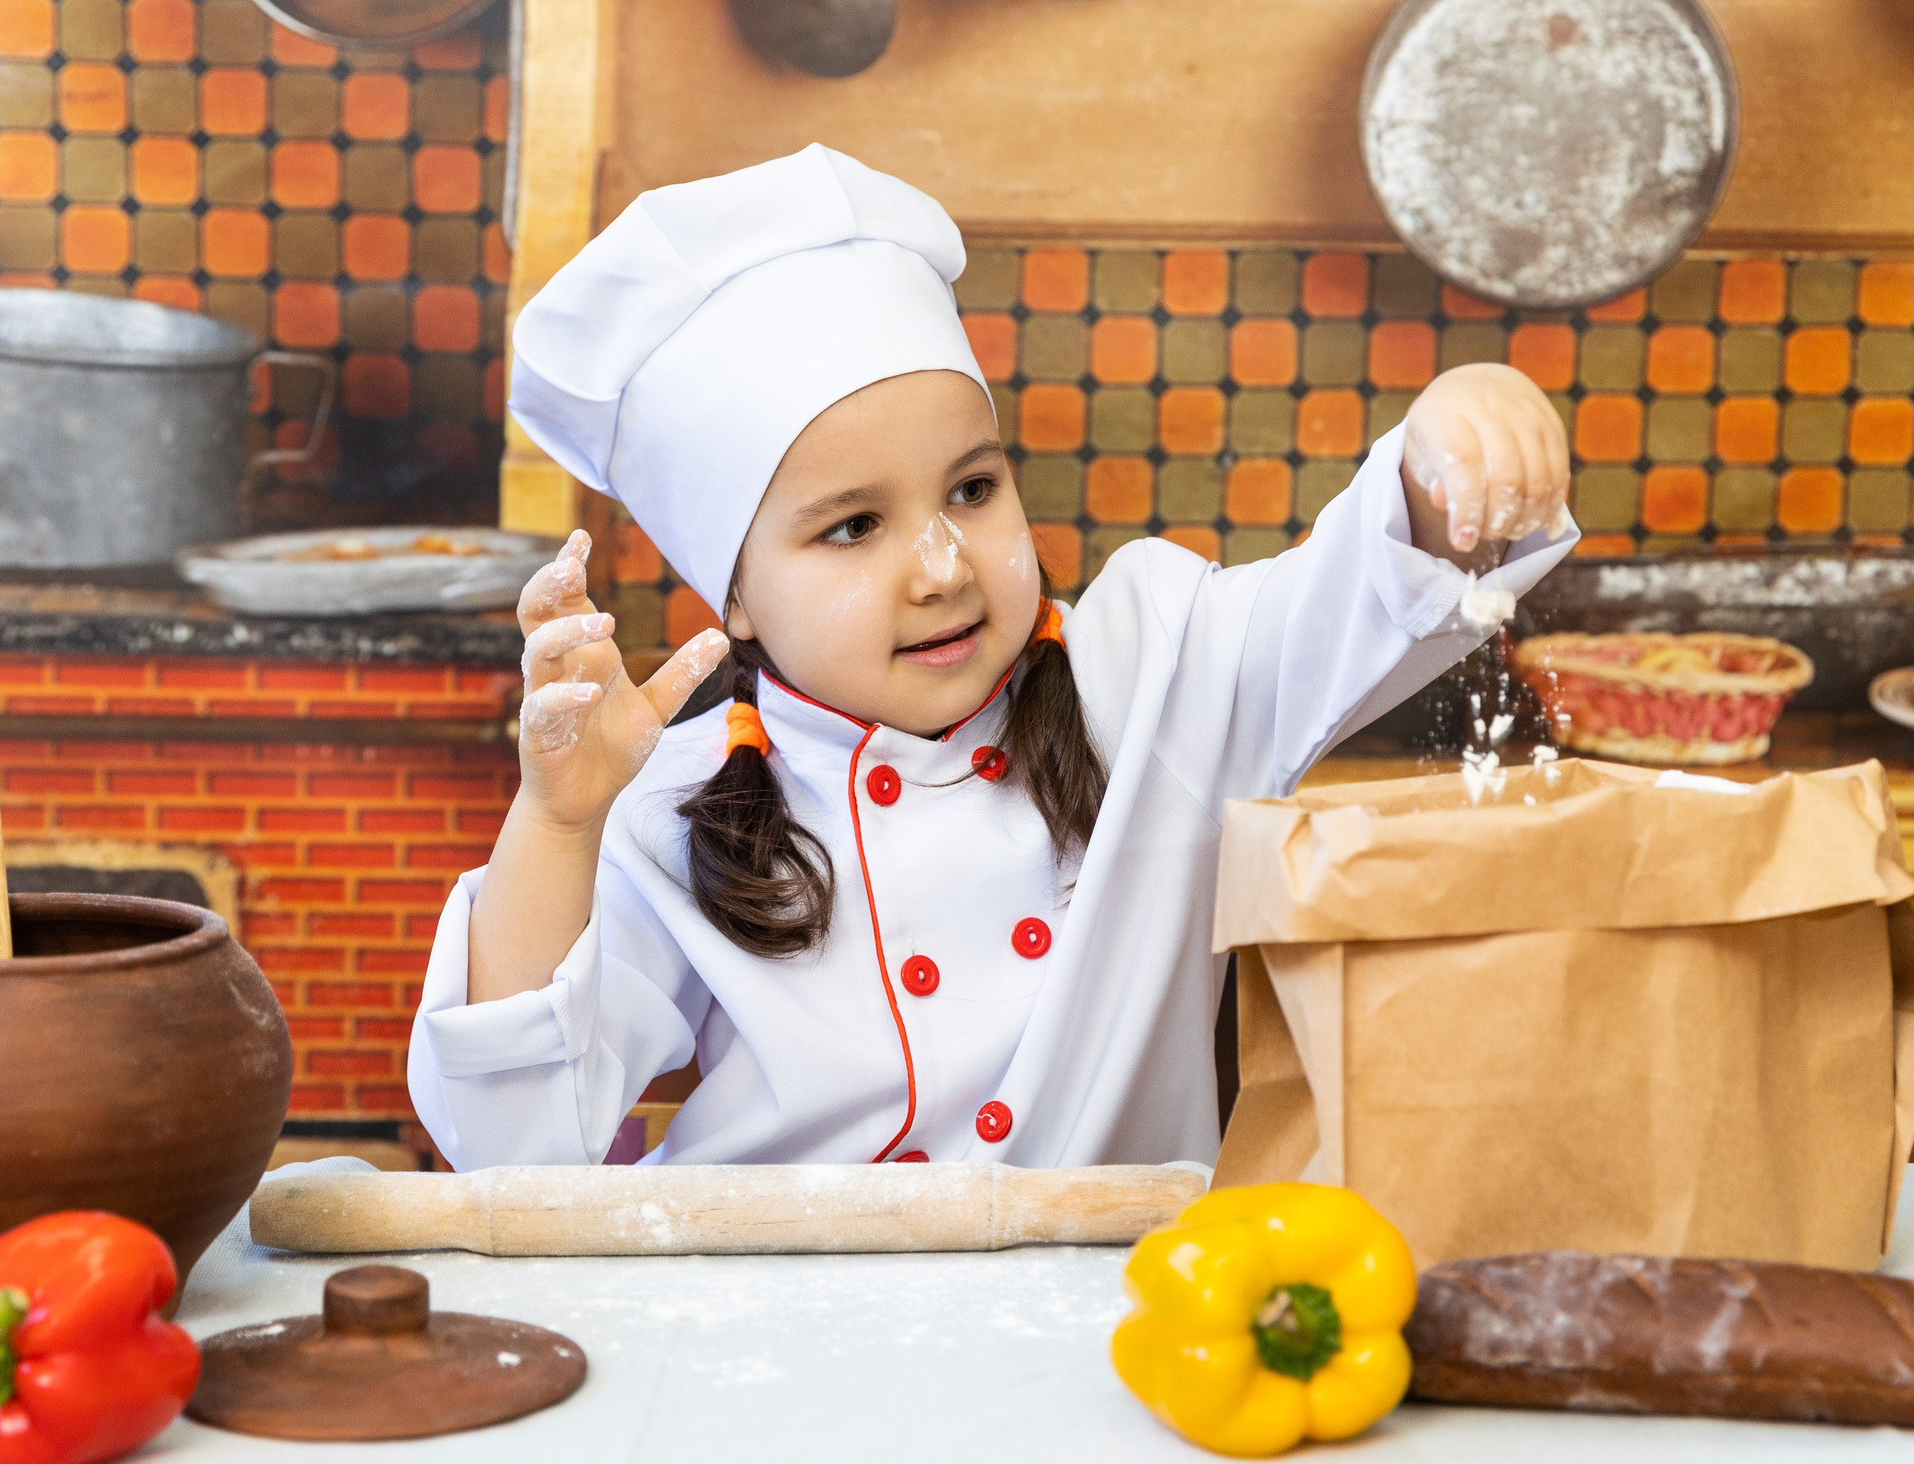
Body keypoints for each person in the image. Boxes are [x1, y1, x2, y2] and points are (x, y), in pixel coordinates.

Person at [408, 144, 1575, 1171]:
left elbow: (1369, 588)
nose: (940, 566)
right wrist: (558, 827)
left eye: (972, 488)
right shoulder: (676, 801)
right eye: (852, 527)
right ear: (735, 596)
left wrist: (1458, 435)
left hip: (1105, 1340)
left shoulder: (1153, 673)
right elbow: (514, 1149)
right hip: (778, 1346)